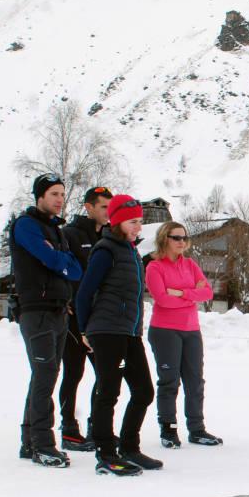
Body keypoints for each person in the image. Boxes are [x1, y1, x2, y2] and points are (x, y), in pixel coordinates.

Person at [74, 195, 159, 476]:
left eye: (140, 222)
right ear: (117, 221)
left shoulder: (131, 252)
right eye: (133, 222)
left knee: (144, 391)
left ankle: (129, 447)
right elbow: (85, 292)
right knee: (108, 390)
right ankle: (106, 453)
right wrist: (84, 329)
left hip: (129, 331)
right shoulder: (106, 250)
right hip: (107, 330)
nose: (139, 227)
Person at [9, 173, 82, 467]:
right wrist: (59, 261)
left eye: (62, 194)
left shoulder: (58, 231)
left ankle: (29, 441)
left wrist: (59, 260)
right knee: (45, 376)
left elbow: (75, 269)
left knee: (46, 375)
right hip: (36, 310)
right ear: (39, 196)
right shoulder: (26, 225)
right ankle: (43, 444)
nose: (60, 199)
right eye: (54, 194)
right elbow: (52, 260)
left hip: (58, 310)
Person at [144, 221, 221, 448]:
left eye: (184, 238)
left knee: (195, 382)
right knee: (169, 382)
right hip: (165, 331)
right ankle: (169, 430)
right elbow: (162, 300)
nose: (181, 242)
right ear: (164, 239)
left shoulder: (190, 265)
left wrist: (180, 293)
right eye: (176, 237)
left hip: (191, 330)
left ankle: (197, 430)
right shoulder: (155, 267)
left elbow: (207, 292)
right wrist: (191, 295)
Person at [59, 186, 113, 450]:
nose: (107, 212)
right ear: (89, 207)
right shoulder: (69, 234)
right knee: (73, 372)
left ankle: (97, 427)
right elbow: (61, 268)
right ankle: (69, 428)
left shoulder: (112, 237)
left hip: (100, 319)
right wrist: (67, 298)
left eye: (110, 207)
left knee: (105, 374)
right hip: (74, 318)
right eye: (103, 206)